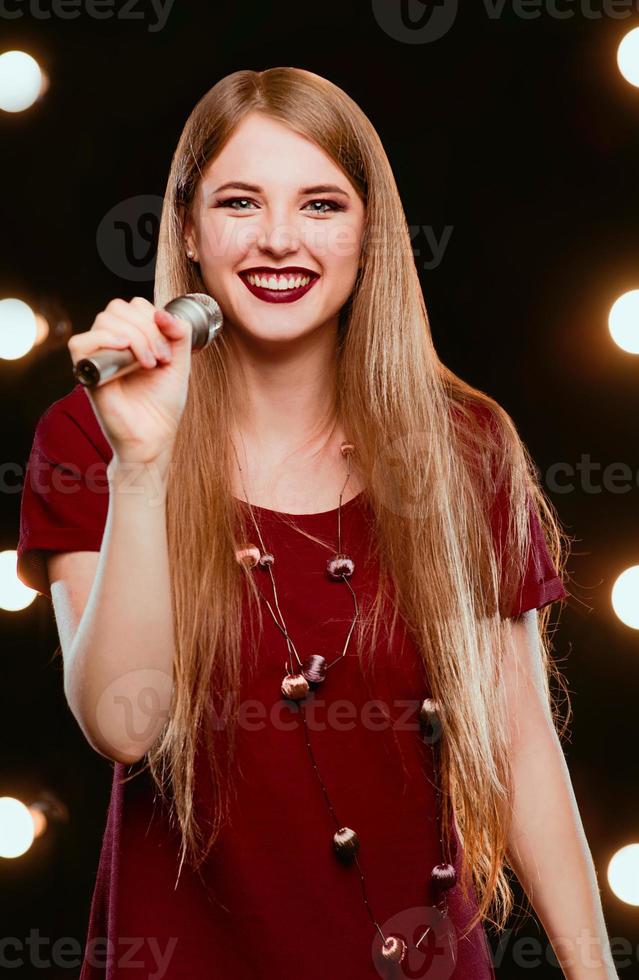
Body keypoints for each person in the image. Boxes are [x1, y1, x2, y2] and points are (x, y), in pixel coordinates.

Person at [16, 68, 616, 979]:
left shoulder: (465, 445)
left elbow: (519, 738)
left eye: (322, 204)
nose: (280, 240)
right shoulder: (88, 431)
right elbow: (121, 727)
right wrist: (143, 466)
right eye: (241, 202)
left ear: (371, 232)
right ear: (187, 227)